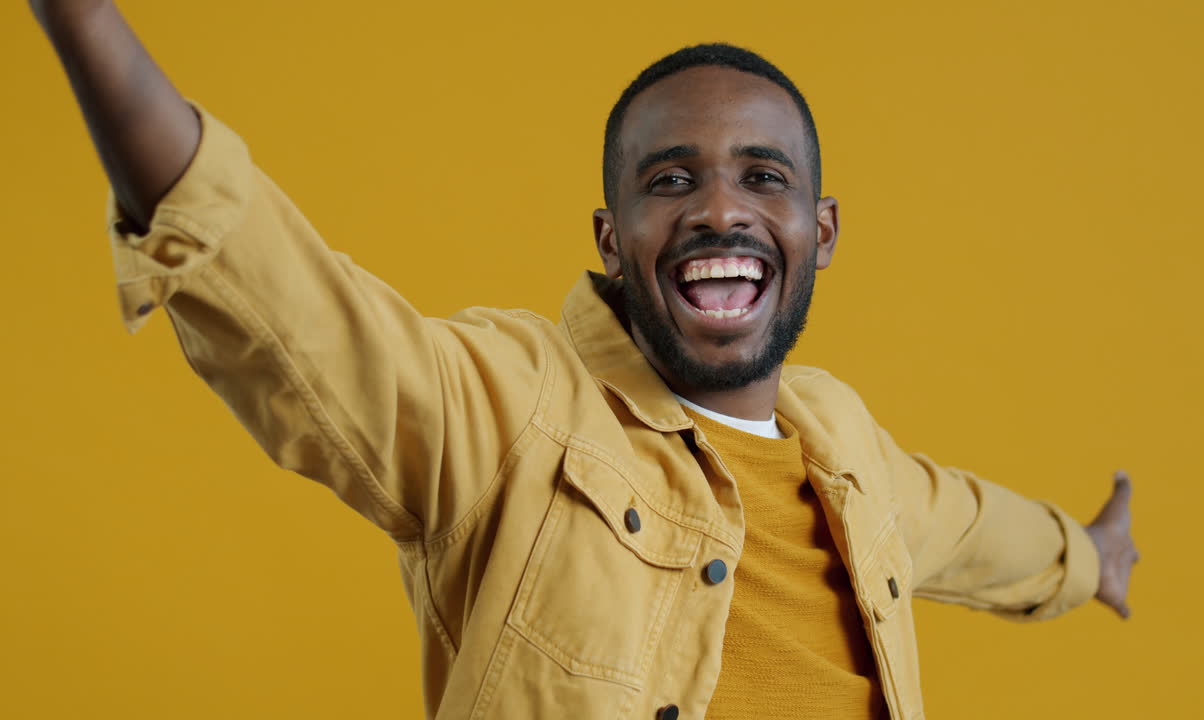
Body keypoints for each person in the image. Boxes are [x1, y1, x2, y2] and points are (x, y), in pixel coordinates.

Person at [30, 2, 1138, 718]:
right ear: (611, 239)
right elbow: (290, 304)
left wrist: (1086, 558)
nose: (717, 209)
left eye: (762, 178)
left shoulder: (837, 439)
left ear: (821, 231)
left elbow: (966, 527)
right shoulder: (514, 413)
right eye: (668, 181)